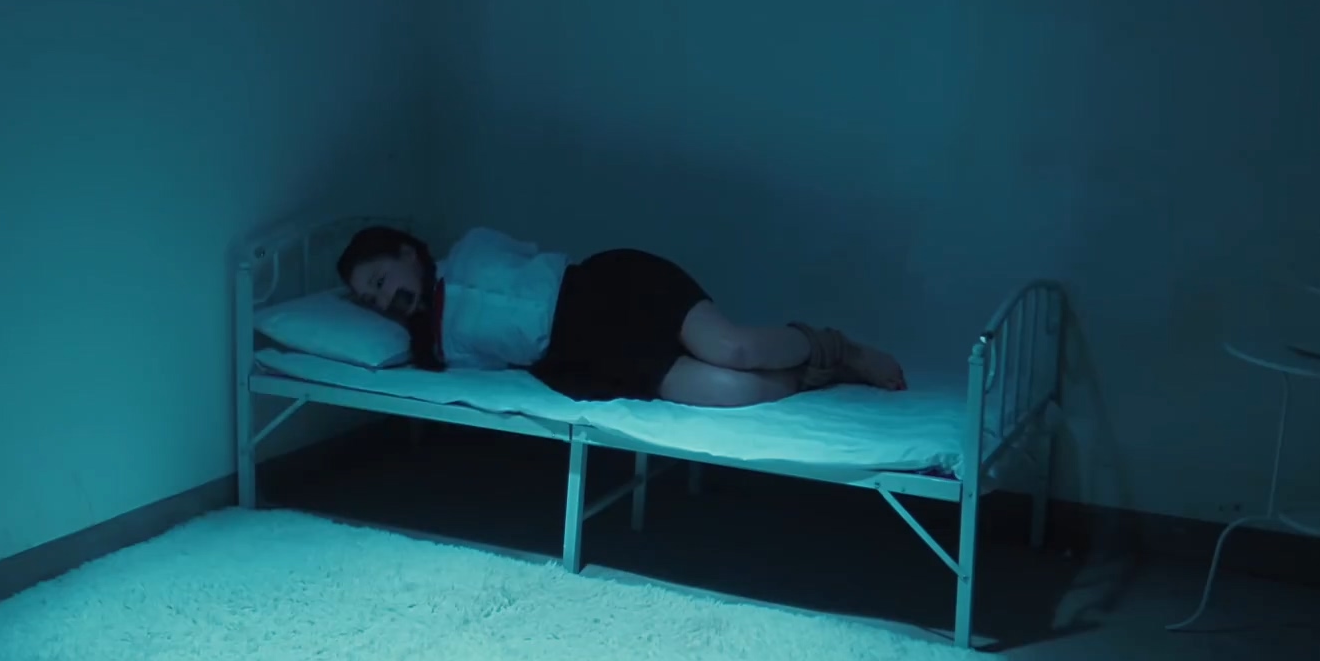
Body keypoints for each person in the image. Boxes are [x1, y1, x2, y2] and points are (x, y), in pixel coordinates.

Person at [335, 225, 907, 408]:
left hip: (610, 285)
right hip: (589, 353)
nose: (384, 302)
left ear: (406, 253)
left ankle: (840, 347)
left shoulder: (474, 245)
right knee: (733, 390)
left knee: (733, 349)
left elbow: (535, 259)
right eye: (370, 301)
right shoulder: (437, 348)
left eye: (380, 282)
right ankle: (823, 374)